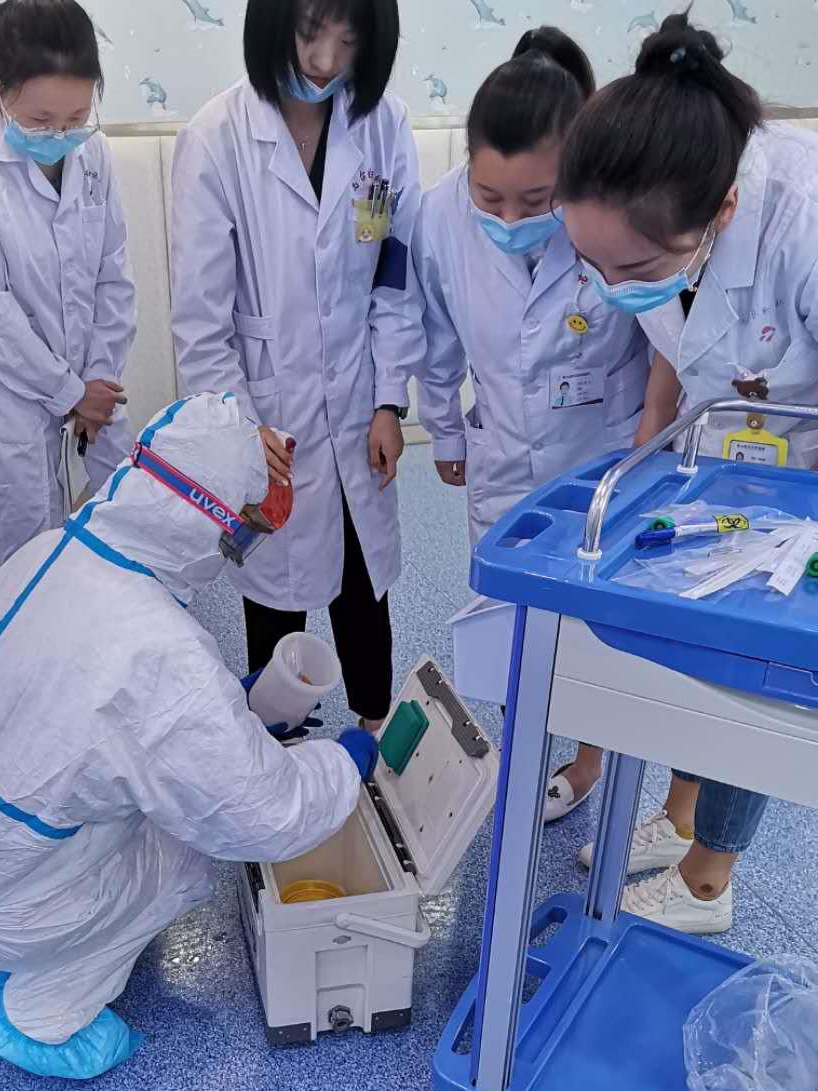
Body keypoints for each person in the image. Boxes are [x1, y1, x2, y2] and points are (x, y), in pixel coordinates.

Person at [0, 392, 379, 1079]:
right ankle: (42, 1012)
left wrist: (231, 707)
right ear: (209, 520)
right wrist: (343, 766)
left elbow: (93, 710)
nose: (240, 550)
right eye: (243, 532)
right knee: (185, 854)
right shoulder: (160, 649)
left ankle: (51, 930)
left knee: (153, 785)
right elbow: (263, 813)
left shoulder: (57, 549)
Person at [556, 12, 818, 933]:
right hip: (724, 451)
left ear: (724, 214)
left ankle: (710, 878)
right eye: (591, 262)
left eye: (629, 265)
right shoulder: (646, 219)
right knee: (691, 630)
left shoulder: (804, 219)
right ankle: (678, 818)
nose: (608, 284)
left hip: (803, 460)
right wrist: (646, 452)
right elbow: (671, 335)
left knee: (757, 660)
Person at [413, 27, 650, 821]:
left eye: (537, 200)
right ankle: (524, 750)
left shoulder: (616, 209)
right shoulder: (440, 215)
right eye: (491, 198)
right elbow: (436, 334)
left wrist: (653, 442)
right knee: (511, 623)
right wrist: (445, 430)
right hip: (504, 451)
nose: (510, 217)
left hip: (603, 449)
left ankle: (589, 761)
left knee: (596, 625)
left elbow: (662, 336)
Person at [170, 0, 426, 732]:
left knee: (361, 579)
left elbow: (396, 274)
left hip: (359, 400)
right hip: (264, 409)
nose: (324, 62)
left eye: (348, 41)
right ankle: (275, 741)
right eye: (312, 33)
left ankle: (373, 730)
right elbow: (201, 321)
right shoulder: (215, 139)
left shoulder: (384, 126)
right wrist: (240, 431)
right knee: (274, 587)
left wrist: (389, 400)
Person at [0, 0, 136, 593]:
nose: (61, 137)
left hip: (95, 391)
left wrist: (97, 380)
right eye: (42, 120)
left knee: (107, 563)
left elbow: (113, 274)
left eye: (77, 117)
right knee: (12, 583)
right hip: (8, 405)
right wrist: (70, 393)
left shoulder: (91, 152)